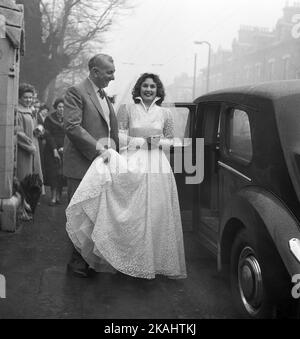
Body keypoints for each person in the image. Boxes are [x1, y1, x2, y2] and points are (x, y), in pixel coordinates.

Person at [65, 73, 187, 280]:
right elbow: (119, 135)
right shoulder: (127, 109)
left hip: (158, 165)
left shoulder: (165, 113)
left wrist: (158, 143)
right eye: (145, 86)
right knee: (132, 211)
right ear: (139, 89)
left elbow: (171, 139)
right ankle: (126, 256)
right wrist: (142, 142)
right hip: (132, 161)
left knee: (156, 211)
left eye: (153, 87)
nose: (149, 90)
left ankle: (151, 260)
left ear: (158, 90)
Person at [63, 53, 119, 277]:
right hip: (81, 165)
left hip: (99, 165)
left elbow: (109, 130)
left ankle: (88, 259)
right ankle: (76, 263)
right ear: (95, 72)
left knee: (94, 214)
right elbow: (72, 127)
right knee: (78, 213)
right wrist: (99, 149)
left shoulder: (104, 96)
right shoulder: (76, 91)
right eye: (109, 72)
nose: (113, 77)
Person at [15, 83, 37, 221]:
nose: (28, 100)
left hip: (31, 150)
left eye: (30, 97)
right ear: (19, 98)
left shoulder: (29, 110)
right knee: (22, 180)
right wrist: (30, 146)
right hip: (23, 151)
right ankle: (20, 210)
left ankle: (24, 205)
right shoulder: (18, 112)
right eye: (25, 97)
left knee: (28, 179)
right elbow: (18, 133)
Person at [43, 98, 66, 205]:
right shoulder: (49, 119)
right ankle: (52, 196)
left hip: (65, 150)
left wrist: (65, 147)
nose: (61, 109)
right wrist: (55, 149)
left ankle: (58, 196)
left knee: (61, 174)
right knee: (53, 174)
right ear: (56, 107)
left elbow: (70, 135)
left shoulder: (68, 119)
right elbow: (48, 134)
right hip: (51, 150)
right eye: (59, 107)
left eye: (63, 107)